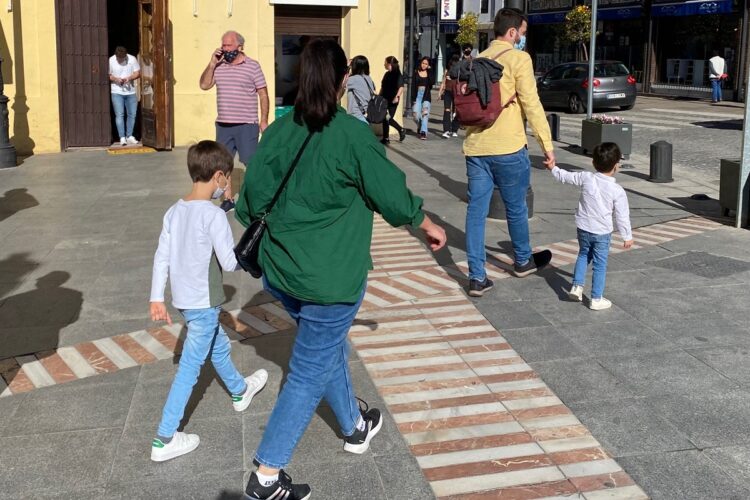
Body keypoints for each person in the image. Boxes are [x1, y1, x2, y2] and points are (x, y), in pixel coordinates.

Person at [235, 39, 447, 500]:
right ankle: (267, 477)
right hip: (330, 279)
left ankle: (353, 425)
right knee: (310, 366)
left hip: (281, 275)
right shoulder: (351, 134)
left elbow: (247, 203)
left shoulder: (277, 131)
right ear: (342, 79)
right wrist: (425, 222)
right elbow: (390, 193)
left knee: (323, 347)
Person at [149, 140, 269, 462]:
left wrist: (156, 297)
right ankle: (164, 437)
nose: (228, 185)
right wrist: (253, 248)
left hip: (185, 301)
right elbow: (229, 263)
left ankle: (240, 391)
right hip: (205, 301)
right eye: (227, 179)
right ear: (219, 177)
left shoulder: (174, 211)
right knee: (190, 368)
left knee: (217, 345)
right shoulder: (213, 217)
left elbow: (162, 257)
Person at [463, 8, 555, 298]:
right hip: (509, 147)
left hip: (476, 147)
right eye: (523, 34)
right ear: (513, 32)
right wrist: (547, 146)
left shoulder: (477, 60)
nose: (523, 39)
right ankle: (523, 260)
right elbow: (532, 104)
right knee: (516, 208)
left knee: (475, 213)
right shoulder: (518, 59)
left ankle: (477, 277)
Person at [544, 142, 633, 310]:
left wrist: (553, 168)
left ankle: (577, 287)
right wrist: (627, 236)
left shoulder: (586, 177)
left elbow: (566, 176)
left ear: (593, 163)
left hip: (583, 227)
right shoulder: (617, 190)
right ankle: (596, 298)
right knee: (600, 264)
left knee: (583, 254)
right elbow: (622, 216)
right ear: (616, 166)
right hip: (602, 232)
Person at [200, 30, 270, 213]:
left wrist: (263, 120)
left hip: (247, 124)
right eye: (223, 45)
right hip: (223, 124)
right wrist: (212, 64)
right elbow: (204, 85)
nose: (224, 48)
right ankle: (228, 200)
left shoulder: (253, 66)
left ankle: (254, 199)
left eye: (228, 45)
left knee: (251, 163)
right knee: (222, 165)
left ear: (240, 46)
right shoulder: (219, 66)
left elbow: (263, 94)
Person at [109, 46, 141, 146]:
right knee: (120, 115)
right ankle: (122, 137)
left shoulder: (132, 59)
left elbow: (137, 73)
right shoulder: (111, 60)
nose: (120, 60)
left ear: (126, 56)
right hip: (116, 91)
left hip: (130, 91)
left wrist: (129, 78)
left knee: (132, 114)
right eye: (119, 58)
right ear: (116, 56)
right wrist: (116, 79)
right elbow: (109, 75)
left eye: (122, 58)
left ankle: (129, 136)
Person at [380, 55, 406, 144]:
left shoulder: (397, 75)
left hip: (392, 100)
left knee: (387, 118)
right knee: (384, 118)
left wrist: (397, 97)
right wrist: (379, 96)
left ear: (389, 64)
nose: (384, 64)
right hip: (384, 99)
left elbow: (401, 87)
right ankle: (386, 138)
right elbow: (383, 87)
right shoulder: (387, 74)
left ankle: (401, 129)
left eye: (385, 63)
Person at [346, 55, 376, 124]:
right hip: (366, 116)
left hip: (356, 117)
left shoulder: (354, 79)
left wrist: (347, 67)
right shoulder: (369, 78)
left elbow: (341, 81)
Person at [438, 54, 461, 139]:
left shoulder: (459, 71)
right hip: (447, 92)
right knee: (447, 110)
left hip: (456, 92)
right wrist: (440, 92)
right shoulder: (447, 70)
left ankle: (454, 129)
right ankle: (446, 130)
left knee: (456, 111)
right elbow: (443, 82)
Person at [412, 56, 434, 140]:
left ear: (428, 65)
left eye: (426, 64)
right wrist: (413, 99)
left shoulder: (429, 73)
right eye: (423, 63)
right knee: (415, 115)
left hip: (426, 96)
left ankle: (423, 132)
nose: (424, 65)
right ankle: (420, 126)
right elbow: (413, 87)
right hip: (417, 96)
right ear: (420, 63)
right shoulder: (416, 73)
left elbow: (432, 82)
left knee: (425, 114)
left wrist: (430, 70)